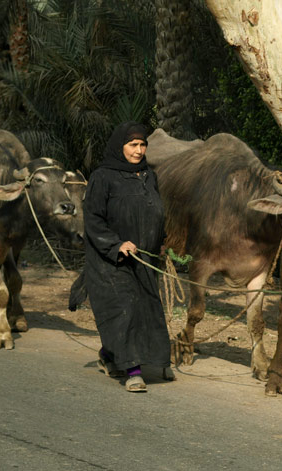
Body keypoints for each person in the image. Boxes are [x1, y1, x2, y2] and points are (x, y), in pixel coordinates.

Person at [82, 121, 174, 392]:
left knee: (147, 309)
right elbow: (93, 219)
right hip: (111, 260)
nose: (138, 150)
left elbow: (155, 211)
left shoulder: (148, 176)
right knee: (125, 311)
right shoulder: (103, 177)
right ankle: (133, 371)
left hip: (145, 258)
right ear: (119, 146)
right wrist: (116, 244)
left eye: (142, 144)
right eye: (133, 144)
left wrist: (162, 242)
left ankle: (123, 357)